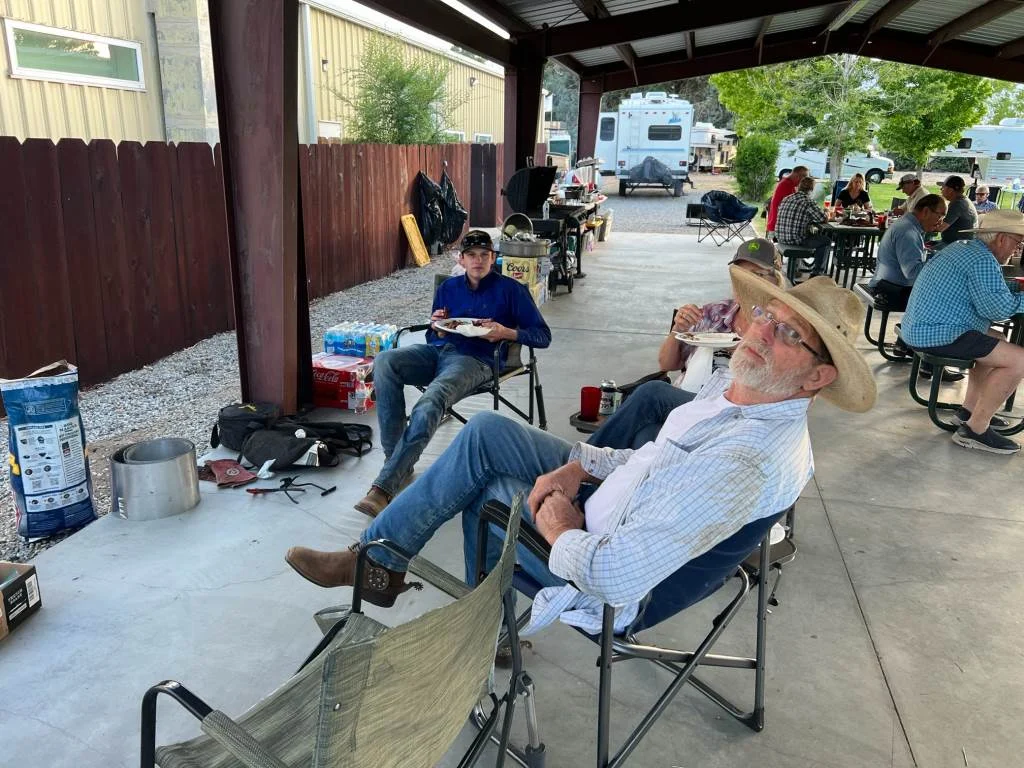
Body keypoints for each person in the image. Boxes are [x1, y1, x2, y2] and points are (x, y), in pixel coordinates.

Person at [284, 268, 877, 636]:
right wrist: (582, 464)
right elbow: (653, 459)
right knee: (486, 431)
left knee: (487, 490)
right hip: (612, 502)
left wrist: (559, 521)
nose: (761, 331)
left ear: (819, 377)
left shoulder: (748, 459)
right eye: (768, 315)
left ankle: (470, 627)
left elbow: (614, 577)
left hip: (604, 571)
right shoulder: (735, 388)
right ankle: (379, 560)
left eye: (790, 334)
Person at [355, 229, 552, 517]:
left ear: (493, 258)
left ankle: (384, 486)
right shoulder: (448, 288)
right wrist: (436, 326)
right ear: (461, 259)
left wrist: (505, 332)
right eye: (471, 255)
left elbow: (543, 336)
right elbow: (434, 335)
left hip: (478, 359)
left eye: (484, 255)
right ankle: (396, 461)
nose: (478, 260)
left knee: (431, 400)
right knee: (385, 361)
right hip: (439, 352)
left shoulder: (512, 291)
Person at [589, 237, 786, 451]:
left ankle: (581, 461)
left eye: (757, 275)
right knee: (646, 437)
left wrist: (745, 351)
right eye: (740, 275)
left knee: (652, 393)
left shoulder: (780, 328)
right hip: (686, 398)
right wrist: (678, 329)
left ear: (775, 281)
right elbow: (667, 364)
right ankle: (590, 467)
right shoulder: (714, 313)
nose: (746, 282)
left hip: (731, 411)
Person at [900, 209, 1024, 455]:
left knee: (996, 339)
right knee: (1019, 360)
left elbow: (988, 290)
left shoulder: (965, 249)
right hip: (938, 333)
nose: (1017, 249)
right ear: (1001, 238)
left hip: (921, 328)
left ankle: (969, 411)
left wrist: (1015, 291)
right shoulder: (982, 260)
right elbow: (997, 309)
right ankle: (975, 430)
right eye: (1017, 242)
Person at [868, 194, 947, 305]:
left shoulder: (908, 224)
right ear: (926, 211)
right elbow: (912, 273)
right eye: (940, 216)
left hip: (888, 284)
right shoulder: (908, 232)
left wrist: (934, 255)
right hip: (889, 290)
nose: (941, 222)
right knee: (948, 297)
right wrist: (941, 261)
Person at [775, 176, 831, 276]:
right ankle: (817, 273)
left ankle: (796, 268)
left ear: (799, 187)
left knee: (803, 232)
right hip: (795, 239)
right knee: (825, 241)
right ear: (812, 190)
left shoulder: (787, 198)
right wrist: (826, 212)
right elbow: (823, 219)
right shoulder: (808, 201)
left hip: (780, 237)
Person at [936, 175, 978, 249]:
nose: (941, 189)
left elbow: (939, 228)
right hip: (957, 242)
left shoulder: (957, 204)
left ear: (950, 190)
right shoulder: (962, 200)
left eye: (943, 187)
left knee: (924, 252)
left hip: (957, 246)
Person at [767, 165, 809, 237]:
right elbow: (794, 207)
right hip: (778, 227)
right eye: (804, 177)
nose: (804, 181)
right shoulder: (787, 185)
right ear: (797, 176)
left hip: (778, 225)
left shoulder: (788, 183)